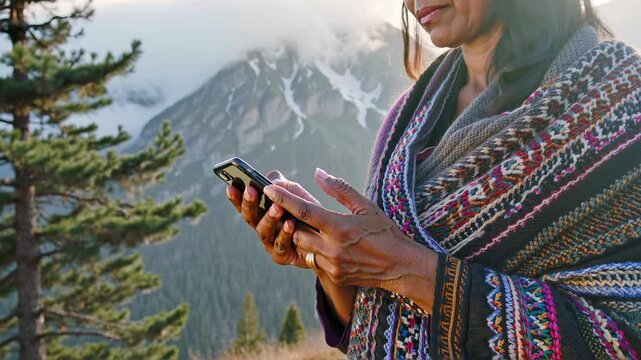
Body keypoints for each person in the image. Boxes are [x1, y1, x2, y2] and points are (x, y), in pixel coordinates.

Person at [226, 0, 641, 358]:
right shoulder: (407, 119)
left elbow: (624, 337)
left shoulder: (617, 106)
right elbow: (379, 325)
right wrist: (328, 258)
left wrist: (403, 268)